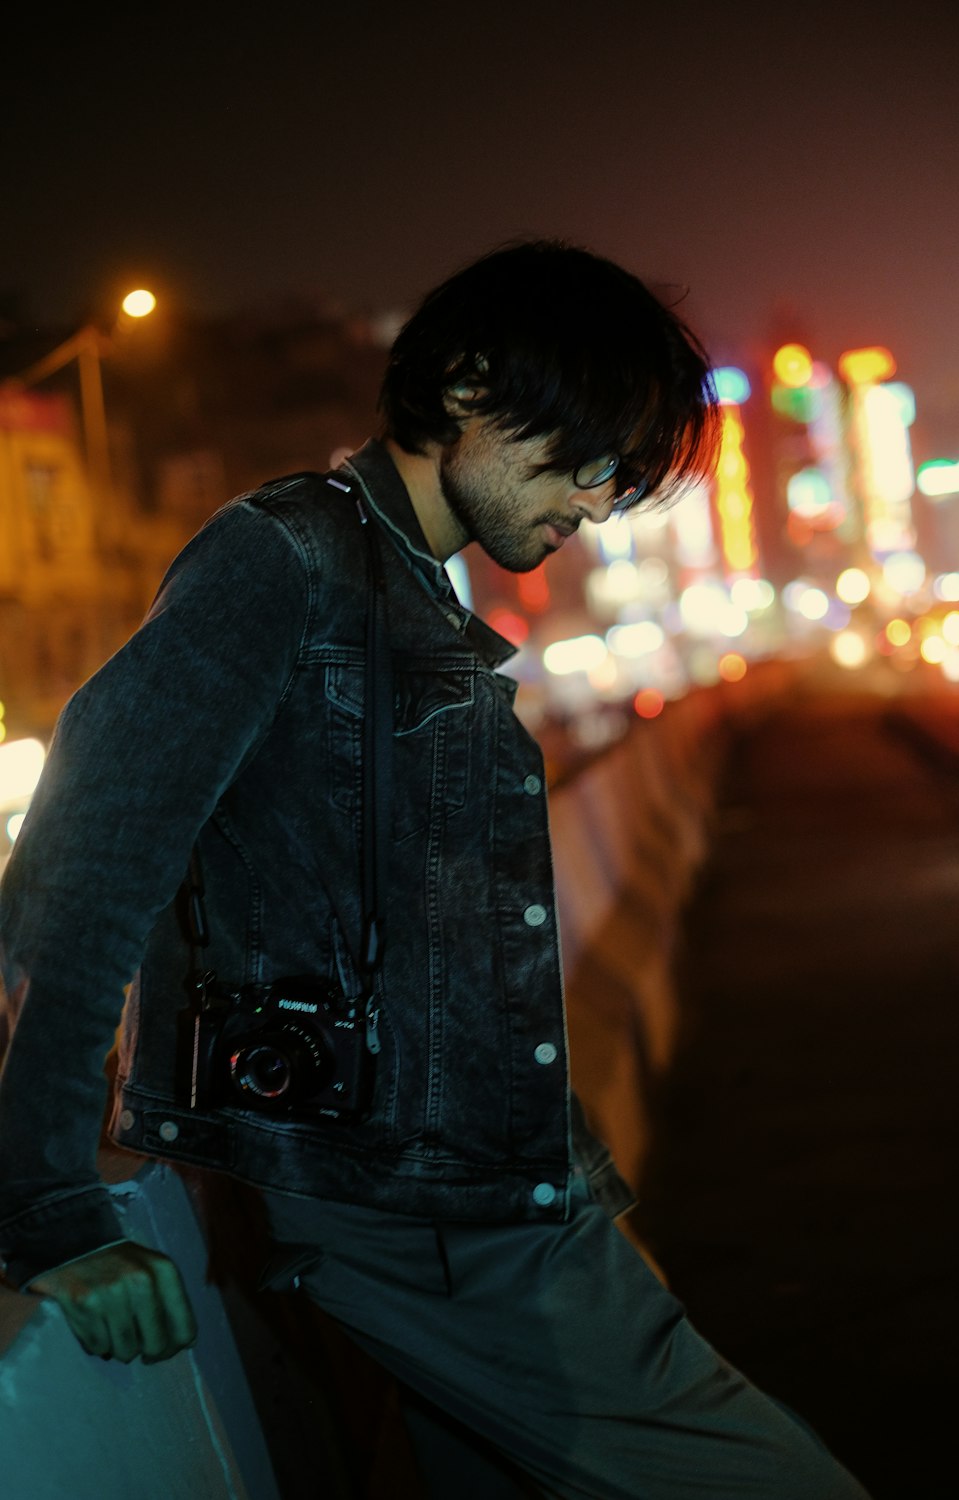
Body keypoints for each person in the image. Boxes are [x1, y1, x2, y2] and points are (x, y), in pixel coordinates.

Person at [0, 240, 870, 1499]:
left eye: (625, 473)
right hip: (421, 1217)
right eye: (589, 454)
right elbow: (85, 873)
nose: (603, 497)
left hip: (486, 1187)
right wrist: (48, 1207)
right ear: (465, 388)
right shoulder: (281, 559)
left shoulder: (410, 595)